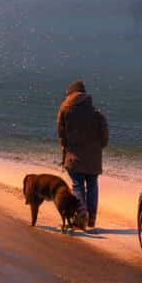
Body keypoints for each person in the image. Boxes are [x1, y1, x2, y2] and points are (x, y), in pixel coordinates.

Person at [56, 80, 108, 229]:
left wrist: (65, 148)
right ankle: (91, 220)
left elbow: (61, 134)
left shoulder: (64, 109)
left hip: (73, 156)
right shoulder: (97, 114)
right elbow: (104, 138)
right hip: (93, 157)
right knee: (92, 185)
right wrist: (98, 148)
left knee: (78, 185)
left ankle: (81, 214)